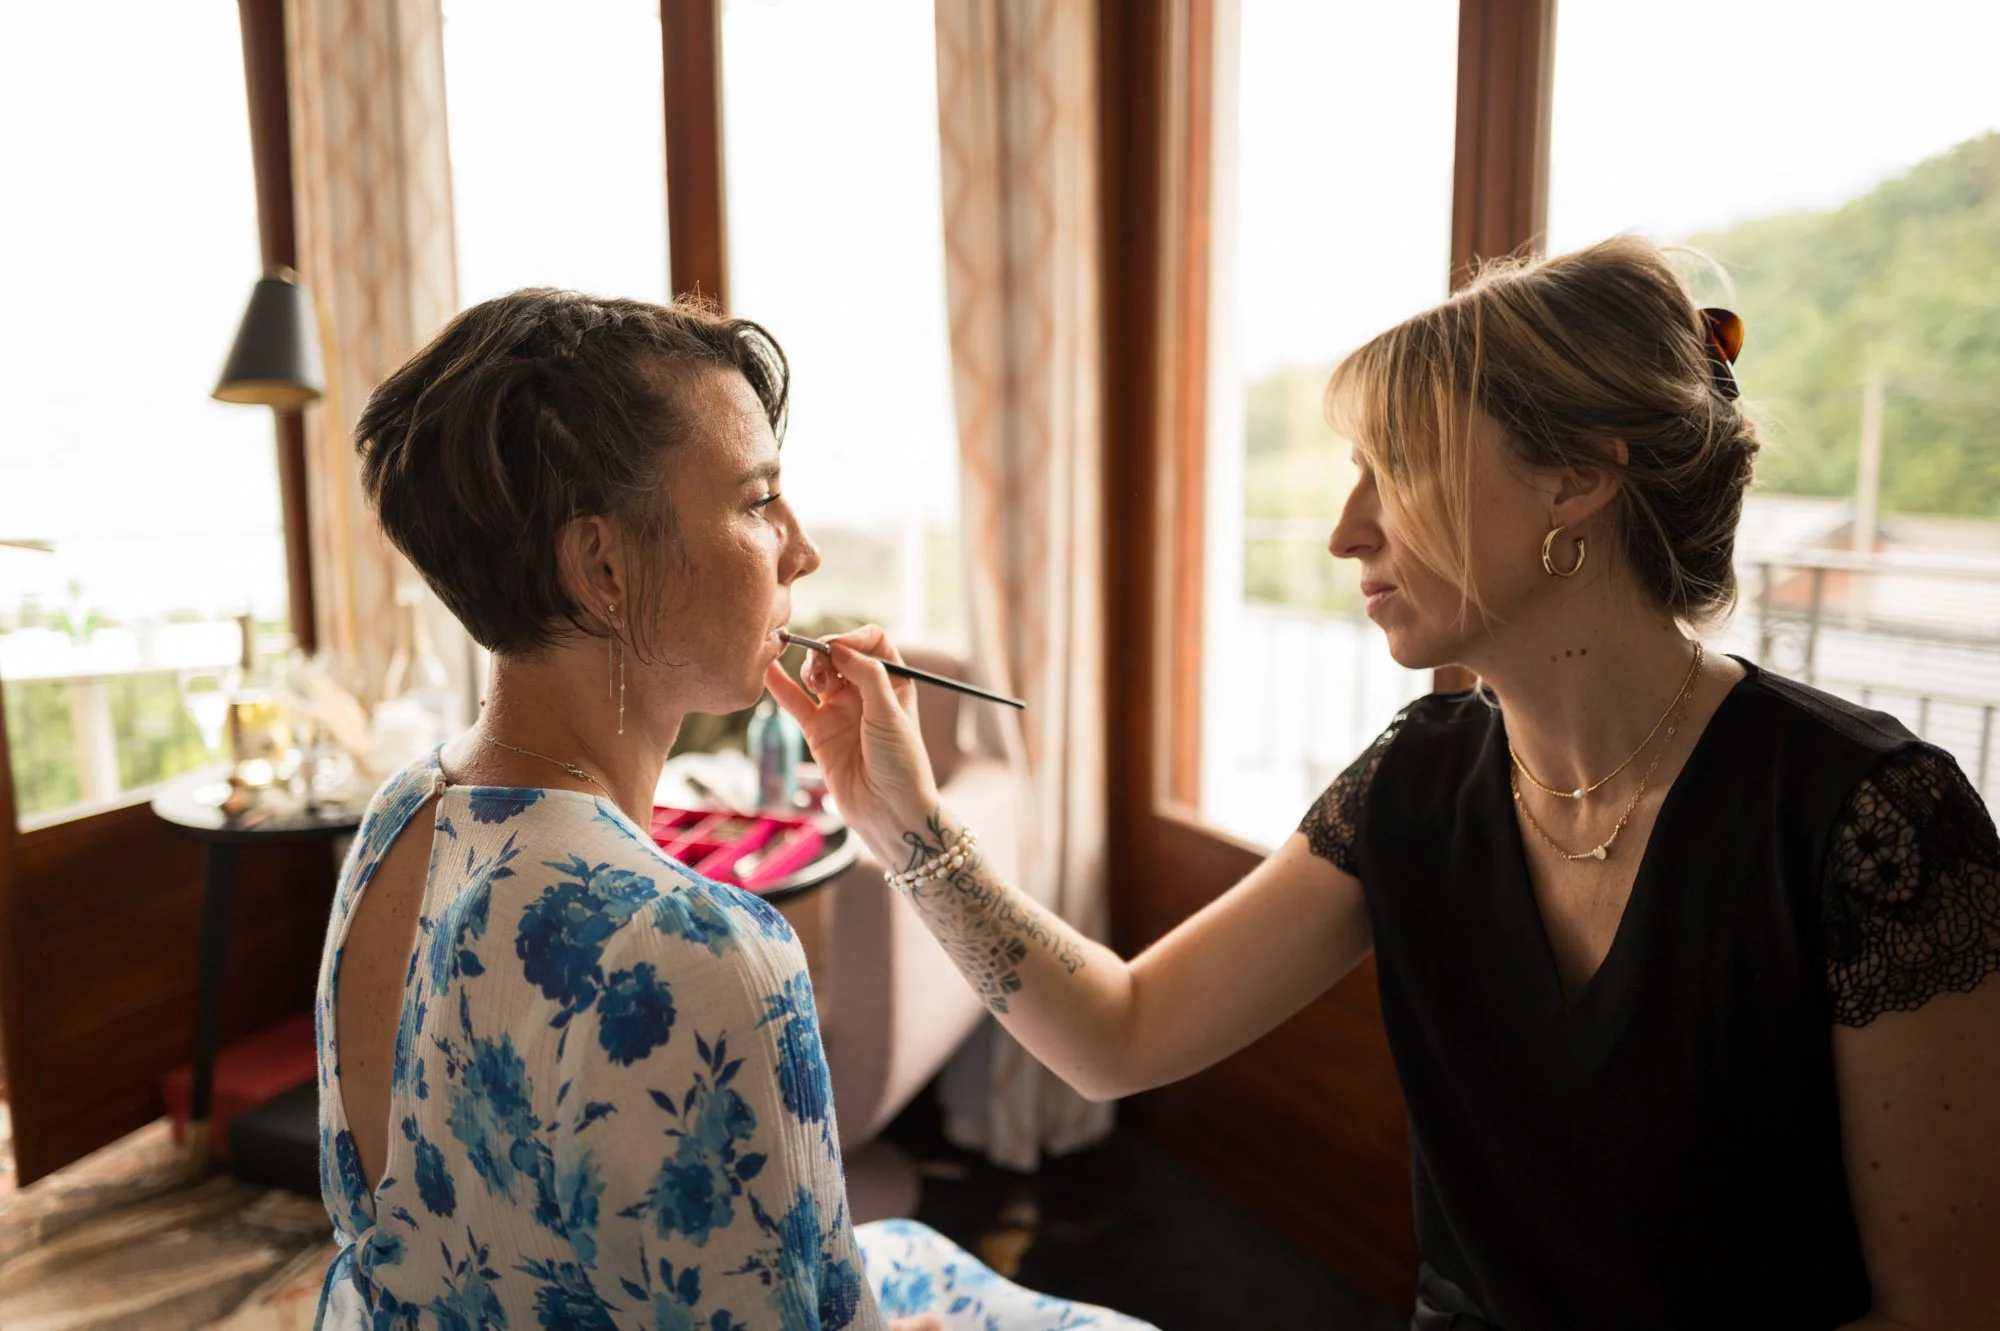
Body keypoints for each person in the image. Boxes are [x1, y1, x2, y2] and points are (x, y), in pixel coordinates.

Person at [769, 238, 2000, 1330]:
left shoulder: (1875, 820)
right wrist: (906, 822)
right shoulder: (1412, 783)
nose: (1345, 530)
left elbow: (1944, 1308)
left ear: (1574, 477)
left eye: (1394, 467)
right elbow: (1117, 1033)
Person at [312, 289, 1152, 1331]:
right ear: (603, 565)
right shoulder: (694, 949)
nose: (799, 551)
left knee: (904, 1247)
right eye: (758, 503)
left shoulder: (403, 808)